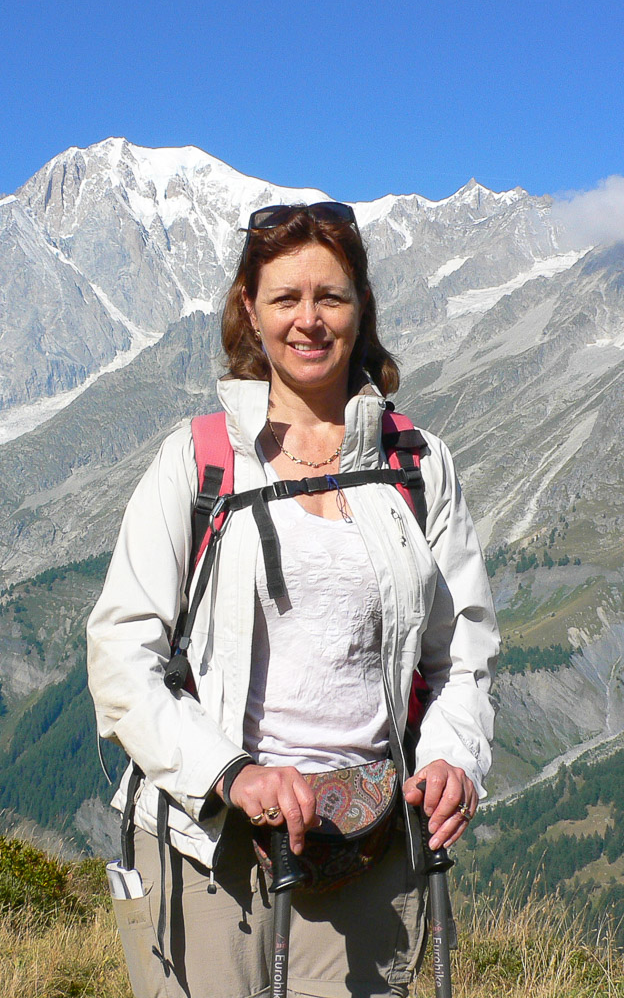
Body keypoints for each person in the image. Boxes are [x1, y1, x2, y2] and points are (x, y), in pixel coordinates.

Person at [87, 201, 498, 998]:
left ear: (361, 308)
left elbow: (463, 649)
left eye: (331, 297)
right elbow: (119, 656)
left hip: (372, 841)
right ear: (251, 310)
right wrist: (230, 772)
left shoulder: (418, 465)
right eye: (285, 299)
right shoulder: (200, 463)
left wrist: (454, 756)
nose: (309, 321)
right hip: (214, 850)